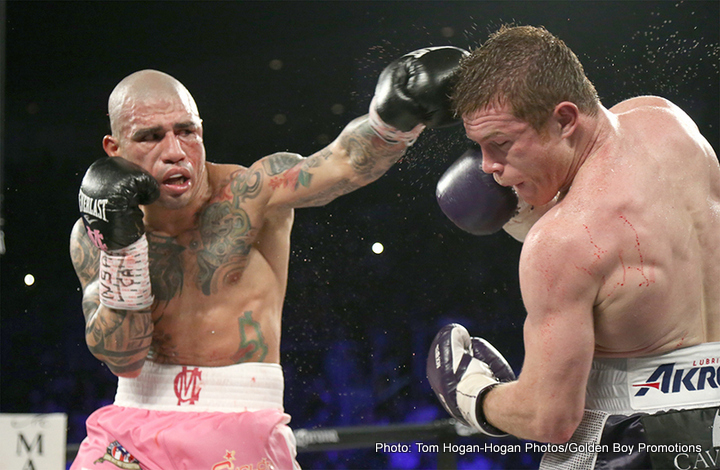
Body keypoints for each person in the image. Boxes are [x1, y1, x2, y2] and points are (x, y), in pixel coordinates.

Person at [69, 45, 467, 470]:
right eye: (151, 137)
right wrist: (122, 250)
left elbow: (344, 162)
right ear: (114, 148)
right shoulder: (93, 233)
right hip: (132, 425)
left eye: (186, 131)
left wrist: (394, 119)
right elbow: (123, 358)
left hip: (238, 422)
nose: (175, 151)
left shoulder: (252, 192)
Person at [427, 25, 720, 469]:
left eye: (501, 144)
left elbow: (551, 418)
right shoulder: (667, 121)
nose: (488, 167)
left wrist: (471, 395)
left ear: (565, 119)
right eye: (480, 148)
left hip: (628, 439)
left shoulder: (560, 241)